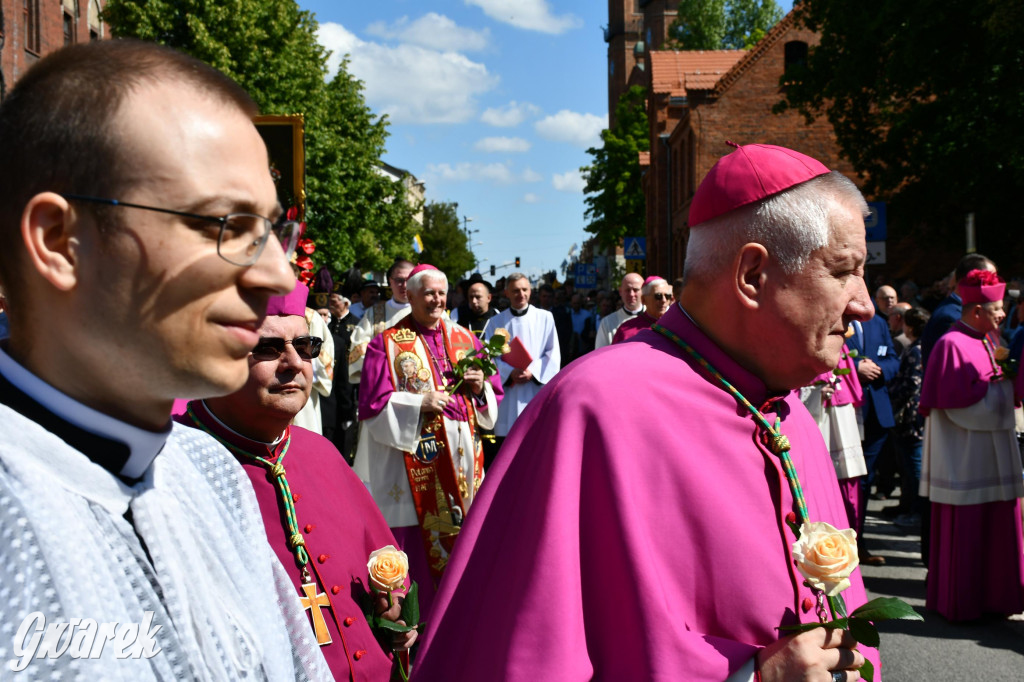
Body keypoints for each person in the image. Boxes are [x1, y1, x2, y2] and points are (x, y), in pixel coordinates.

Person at [413, 144, 880, 681]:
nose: (863, 304)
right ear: (752, 274)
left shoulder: (790, 412)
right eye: (843, 271)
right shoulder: (592, 409)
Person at [0, 40, 329, 678]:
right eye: (224, 224)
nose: (278, 275)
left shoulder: (211, 471)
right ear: (60, 240)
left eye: (274, 231)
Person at [179, 283, 415, 680]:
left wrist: (395, 609)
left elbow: (387, 569)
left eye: (304, 347)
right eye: (268, 348)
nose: (294, 363)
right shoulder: (173, 464)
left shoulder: (321, 451)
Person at [353, 264, 502, 620]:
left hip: (465, 469)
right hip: (415, 472)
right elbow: (372, 408)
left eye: (441, 293)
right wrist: (419, 402)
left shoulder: (466, 339)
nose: (437, 300)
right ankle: (417, 626)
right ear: (410, 296)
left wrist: (479, 388)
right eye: (428, 293)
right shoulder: (386, 343)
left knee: (467, 544)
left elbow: (490, 403)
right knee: (421, 555)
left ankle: (464, 619)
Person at [919, 269, 1024, 622]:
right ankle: (963, 602)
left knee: (999, 521)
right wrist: (1000, 386)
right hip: (963, 455)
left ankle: (997, 599)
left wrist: (1003, 381)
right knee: (969, 526)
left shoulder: (990, 340)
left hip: (993, 450)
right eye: (997, 309)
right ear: (977, 310)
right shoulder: (951, 344)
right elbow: (953, 401)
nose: (1003, 315)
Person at [846, 288, 898, 563]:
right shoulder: (838, 317)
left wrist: (875, 368)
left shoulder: (878, 323)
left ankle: (859, 542)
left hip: (876, 413)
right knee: (847, 481)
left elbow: (893, 359)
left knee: (865, 482)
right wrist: (856, 367)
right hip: (847, 411)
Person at [483, 273, 561, 454]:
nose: (521, 294)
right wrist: (509, 372)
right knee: (507, 448)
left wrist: (532, 371)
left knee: (536, 445)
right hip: (508, 393)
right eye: (515, 290)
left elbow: (553, 353)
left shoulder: (545, 317)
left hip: (534, 390)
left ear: (530, 291)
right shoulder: (495, 322)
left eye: (524, 289)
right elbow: (488, 357)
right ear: (507, 293)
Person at [801, 339, 866, 533]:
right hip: (818, 416)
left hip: (843, 413)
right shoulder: (804, 339)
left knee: (849, 475)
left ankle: (854, 535)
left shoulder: (841, 344)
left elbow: (852, 387)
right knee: (821, 479)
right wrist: (814, 393)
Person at [888, 306, 930, 528]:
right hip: (912, 414)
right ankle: (907, 505)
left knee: (913, 464)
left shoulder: (916, 350)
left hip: (910, 416)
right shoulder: (919, 347)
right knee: (907, 463)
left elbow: (912, 384)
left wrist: (891, 390)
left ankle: (916, 510)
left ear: (910, 326)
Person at [920, 253, 996, 366]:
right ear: (970, 280)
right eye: (990, 279)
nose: (995, 285)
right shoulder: (949, 317)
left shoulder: (963, 311)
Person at [349, 260, 413, 385]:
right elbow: (359, 346)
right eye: (399, 280)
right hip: (383, 381)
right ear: (390, 281)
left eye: (409, 280)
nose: (404, 285)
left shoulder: (428, 310)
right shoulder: (374, 313)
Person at [611, 275, 673, 344]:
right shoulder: (625, 331)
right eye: (658, 296)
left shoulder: (675, 325)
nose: (664, 300)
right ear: (643, 299)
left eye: (667, 296)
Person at [594, 272, 644, 348]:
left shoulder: (653, 318)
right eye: (627, 290)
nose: (631, 294)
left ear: (643, 291)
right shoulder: (607, 323)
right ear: (620, 291)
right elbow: (600, 352)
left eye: (635, 290)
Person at [450, 273, 497, 338]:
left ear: (489, 298)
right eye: (471, 297)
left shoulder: (496, 315)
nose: (474, 301)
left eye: (478, 297)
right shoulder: (457, 314)